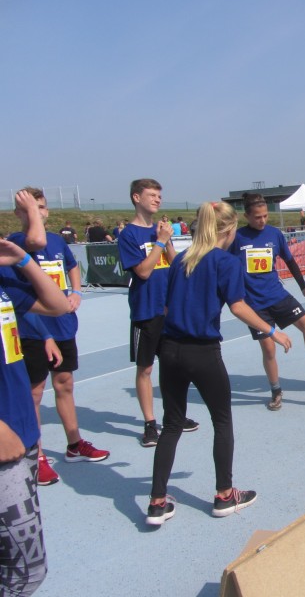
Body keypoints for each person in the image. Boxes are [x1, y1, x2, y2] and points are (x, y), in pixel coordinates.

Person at [146, 202, 292, 525]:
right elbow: (238, 306)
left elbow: (168, 308)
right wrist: (272, 331)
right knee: (222, 421)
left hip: (170, 350)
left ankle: (157, 502)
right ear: (229, 230)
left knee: (172, 424)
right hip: (202, 352)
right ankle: (224, 495)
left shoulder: (180, 260)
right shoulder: (226, 262)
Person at [8, 188, 110, 485]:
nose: (36, 212)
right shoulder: (18, 243)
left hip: (62, 326)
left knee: (65, 384)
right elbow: (35, 242)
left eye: (40, 207)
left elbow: (72, 266)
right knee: (35, 393)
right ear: (18, 213)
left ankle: (74, 444)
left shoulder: (57, 241)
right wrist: (44, 335)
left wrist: (76, 292)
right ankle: (36, 455)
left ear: (48, 210)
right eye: (29, 208)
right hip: (33, 330)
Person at [0, 230, 72, 595]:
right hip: (5, 442)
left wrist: (24, 261)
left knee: (20, 567)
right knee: (26, 573)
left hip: (23, 433)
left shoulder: (3, 284)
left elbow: (58, 305)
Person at [230, 193, 305, 411]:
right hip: (254, 304)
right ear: (246, 216)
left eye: (265, 216)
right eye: (257, 217)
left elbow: (291, 262)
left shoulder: (274, 234)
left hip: (278, 295)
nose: (262, 220)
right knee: (268, 348)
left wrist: (304, 287)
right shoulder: (237, 238)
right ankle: (276, 391)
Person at [118, 179, 199, 447]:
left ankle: (174, 415)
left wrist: (167, 242)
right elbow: (143, 272)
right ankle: (150, 424)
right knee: (146, 369)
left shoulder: (160, 231)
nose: (157, 200)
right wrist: (160, 242)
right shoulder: (129, 235)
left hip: (169, 310)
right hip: (146, 310)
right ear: (136, 198)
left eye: (159, 196)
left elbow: (175, 265)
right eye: (151, 195)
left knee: (174, 366)